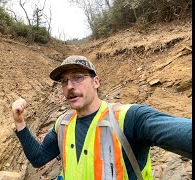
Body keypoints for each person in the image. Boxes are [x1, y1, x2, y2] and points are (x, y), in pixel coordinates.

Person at [11, 55, 192, 180]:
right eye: (64, 81)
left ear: (96, 82)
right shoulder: (63, 125)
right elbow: (38, 158)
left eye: (78, 77)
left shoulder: (128, 118)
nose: (70, 86)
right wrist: (20, 123)